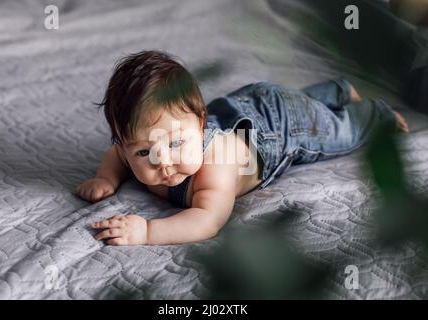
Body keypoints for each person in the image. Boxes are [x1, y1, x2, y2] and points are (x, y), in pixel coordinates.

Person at [75, 50, 409, 246]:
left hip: (282, 127)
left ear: (200, 124)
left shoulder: (214, 168)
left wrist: (147, 231)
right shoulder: (136, 147)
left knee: (337, 130)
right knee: (299, 99)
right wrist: (106, 178)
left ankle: (374, 113)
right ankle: (336, 90)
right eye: (144, 153)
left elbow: (207, 220)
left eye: (177, 142)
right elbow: (116, 155)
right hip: (247, 104)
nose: (164, 162)